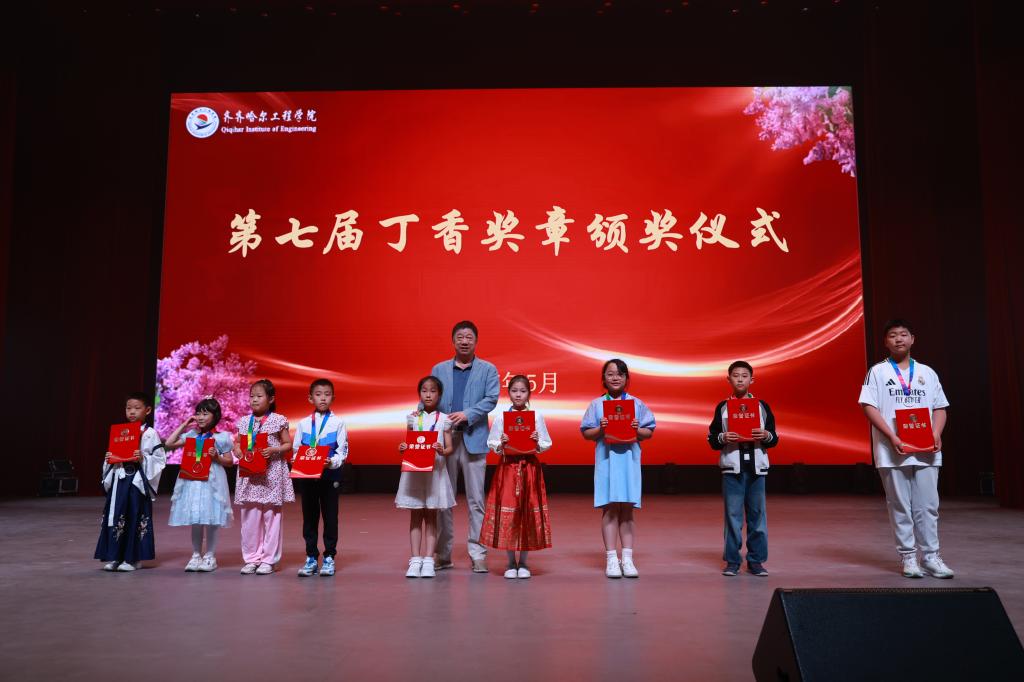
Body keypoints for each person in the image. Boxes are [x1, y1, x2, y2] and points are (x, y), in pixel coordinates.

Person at [859, 319, 953, 578]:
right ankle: (909, 558)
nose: (898, 339)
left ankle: (931, 557)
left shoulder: (927, 372)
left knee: (928, 506)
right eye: (892, 335)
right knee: (899, 505)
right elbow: (868, 406)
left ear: (913, 339)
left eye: (903, 334)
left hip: (926, 450)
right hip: (892, 450)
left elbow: (940, 407)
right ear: (885, 342)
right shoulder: (877, 372)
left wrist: (936, 434)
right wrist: (892, 437)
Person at [431, 320, 500, 573]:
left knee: (476, 501)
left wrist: (467, 414)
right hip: (445, 441)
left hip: (474, 439)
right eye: (460, 337)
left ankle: (478, 554)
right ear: (453, 341)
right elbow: (430, 397)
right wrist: (419, 415)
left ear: (476, 341)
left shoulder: (488, 369)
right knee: (443, 499)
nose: (464, 341)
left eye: (469, 337)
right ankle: (443, 554)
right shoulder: (439, 369)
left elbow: (491, 399)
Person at [581, 359, 655, 579]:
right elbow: (586, 433)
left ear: (626, 378)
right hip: (606, 461)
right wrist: (600, 429)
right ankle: (612, 559)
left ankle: (628, 559)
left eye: (620, 374)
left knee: (627, 510)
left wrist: (637, 429)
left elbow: (649, 431)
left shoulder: (636, 404)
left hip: (629, 461)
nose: (615, 378)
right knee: (610, 509)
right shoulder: (597, 404)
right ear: (603, 378)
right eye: (610, 374)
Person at [706, 361, 778, 577]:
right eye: (735, 375)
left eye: (744, 375)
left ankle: (756, 561)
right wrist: (723, 437)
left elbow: (774, 438)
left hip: (757, 469)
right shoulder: (723, 407)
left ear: (751, 380)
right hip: (732, 468)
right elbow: (712, 438)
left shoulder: (762, 406)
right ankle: (732, 561)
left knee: (757, 516)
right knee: (733, 517)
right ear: (728, 379)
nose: (740, 379)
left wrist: (766, 435)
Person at [481, 374, 553, 579]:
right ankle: (511, 562)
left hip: (529, 469)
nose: (518, 395)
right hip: (508, 469)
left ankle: (523, 563)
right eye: (514, 391)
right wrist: (501, 442)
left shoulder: (536, 416)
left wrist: (536, 441)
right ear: (509, 393)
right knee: (510, 513)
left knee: (526, 513)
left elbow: (546, 443)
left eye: (522, 391)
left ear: (529, 393)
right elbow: (492, 443)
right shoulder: (502, 417)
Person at [95, 391, 166, 571]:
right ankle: (115, 556)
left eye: (137, 408)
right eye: (128, 408)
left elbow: (159, 459)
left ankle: (133, 559)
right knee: (117, 516)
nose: (132, 412)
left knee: (134, 515)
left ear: (147, 410)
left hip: (136, 481)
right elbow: (113, 455)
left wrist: (143, 458)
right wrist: (109, 459)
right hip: (119, 480)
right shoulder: (121, 431)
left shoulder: (150, 433)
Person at [166, 398, 235, 572]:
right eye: (198, 413)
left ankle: (210, 556)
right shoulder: (191, 435)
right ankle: (196, 555)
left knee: (211, 518)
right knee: (196, 519)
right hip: (192, 481)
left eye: (205, 413)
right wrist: (185, 424)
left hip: (212, 482)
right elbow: (169, 443)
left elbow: (229, 461)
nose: (201, 417)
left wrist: (216, 457)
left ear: (215, 416)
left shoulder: (222, 437)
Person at [396, 376, 455, 578]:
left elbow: (449, 447)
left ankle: (429, 559)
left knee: (431, 517)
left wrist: (442, 450)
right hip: (415, 473)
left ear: (439, 395)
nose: (428, 395)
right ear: (419, 393)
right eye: (424, 391)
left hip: (434, 473)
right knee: (415, 516)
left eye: (433, 391)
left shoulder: (444, 419)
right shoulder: (413, 418)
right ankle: (415, 559)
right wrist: (404, 447)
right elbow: (409, 443)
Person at [232, 379, 293, 575]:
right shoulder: (244, 421)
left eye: (259, 396)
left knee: (272, 519)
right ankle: (252, 559)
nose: (254, 400)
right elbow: (237, 443)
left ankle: (269, 560)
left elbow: (288, 444)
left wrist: (274, 450)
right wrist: (237, 450)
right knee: (249, 519)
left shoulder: (278, 420)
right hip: (250, 476)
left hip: (271, 474)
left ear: (271, 399)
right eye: (252, 396)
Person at [293, 378, 348, 577]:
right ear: (310, 398)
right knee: (309, 518)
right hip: (307, 477)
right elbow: (296, 450)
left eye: (327, 394)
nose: (323, 398)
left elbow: (342, 451)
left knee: (330, 518)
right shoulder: (303, 424)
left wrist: (330, 462)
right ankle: (311, 557)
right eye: (318, 394)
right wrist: (297, 460)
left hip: (330, 476)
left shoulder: (338, 423)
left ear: (333, 397)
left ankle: (329, 557)